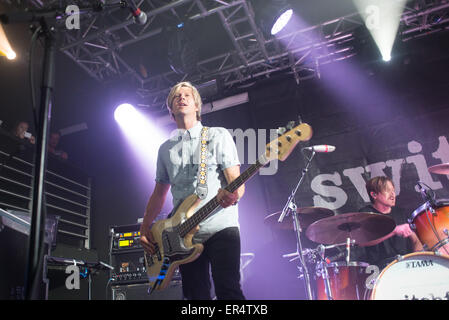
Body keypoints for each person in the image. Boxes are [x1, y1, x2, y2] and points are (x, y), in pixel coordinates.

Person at [139, 81, 246, 300]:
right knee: (195, 297)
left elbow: (237, 182)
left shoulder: (217, 135)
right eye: (176, 96)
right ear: (170, 111)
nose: (182, 97)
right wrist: (145, 228)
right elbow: (159, 193)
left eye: (187, 94)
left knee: (229, 291)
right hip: (183, 235)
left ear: (197, 106)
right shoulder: (165, 149)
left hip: (221, 227)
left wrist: (233, 196)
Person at [356, 176, 423, 269]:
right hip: (379, 269)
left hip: (405, 265)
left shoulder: (400, 213)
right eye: (387, 190)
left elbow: (416, 240)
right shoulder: (366, 214)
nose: (393, 195)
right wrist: (394, 231)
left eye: (393, 190)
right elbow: (362, 242)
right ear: (374, 195)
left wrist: (416, 259)